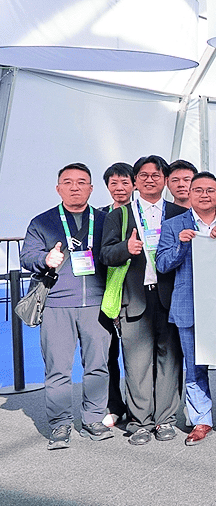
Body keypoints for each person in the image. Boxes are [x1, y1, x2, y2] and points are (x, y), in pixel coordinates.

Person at [21, 163, 113, 449]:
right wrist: (45, 259)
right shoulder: (42, 222)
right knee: (58, 369)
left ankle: (93, 419)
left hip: (97, 304)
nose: (75, 187)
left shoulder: (105, 220)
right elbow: (27, 256)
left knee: (97, 367)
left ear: (91, 188)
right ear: (58, 188)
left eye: (81, 182)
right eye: (68, 182)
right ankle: (60, 424)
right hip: (57, 304)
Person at [102, 155, 186, 445]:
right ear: (135, 181)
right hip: (135, 298)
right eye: (144, 175)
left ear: (165, 180)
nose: (150, 180)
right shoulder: (120, 215)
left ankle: (165, 420)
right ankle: (139, 422)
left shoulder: (179, 213)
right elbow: (106, 254)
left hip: (170, 297)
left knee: (170, 361)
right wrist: (127, 248)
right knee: (136, 364)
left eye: (156, 175)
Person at [154, 171, 216, 446]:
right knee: (194, 366)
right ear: (189, 194)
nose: (204, 195)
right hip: (188, 303)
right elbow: (162, 265)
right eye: (198, 190)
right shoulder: (173, 225)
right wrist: (181, 245)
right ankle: (201, 419)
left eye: (210, 190)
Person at [99, 162, 134, 428]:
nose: (119, 188)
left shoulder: (141, 215)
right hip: (105, 292)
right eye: (114, 183)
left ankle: (138, 407)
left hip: (134, 294)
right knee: (107, 353)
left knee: (136, 356)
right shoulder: (100, 217)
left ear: (134, 184)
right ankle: (114, 404)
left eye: (125, 182)